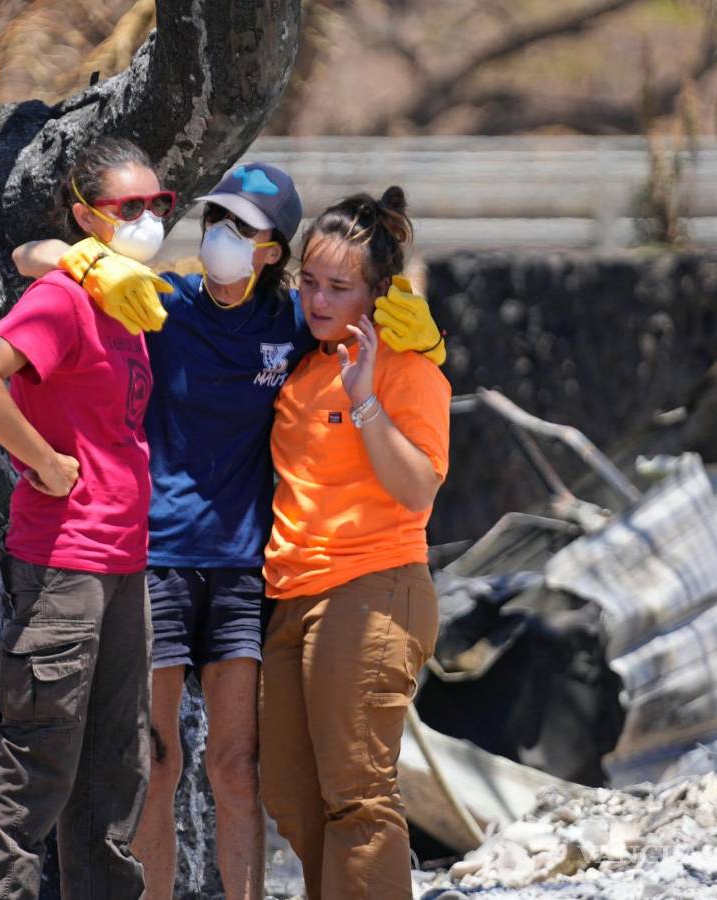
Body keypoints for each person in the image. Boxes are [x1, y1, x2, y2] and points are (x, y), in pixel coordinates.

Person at [13, 164, 445, 899]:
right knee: (162, 763)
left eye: (245, 229)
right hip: (171, 561)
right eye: (217, 220)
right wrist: (85, 258)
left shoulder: (303, 327)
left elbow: (401, 426)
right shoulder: (164, 304)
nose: (223, 238)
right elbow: (28, 257)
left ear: (272, 249)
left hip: (259, 572)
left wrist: (419, 342)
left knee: (248, 770)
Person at [0, 137, 172, 900]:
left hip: (122, 563)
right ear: (86, 217)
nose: (150, 219)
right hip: (64, 564)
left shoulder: (126, 301)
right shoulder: (66, 299)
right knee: (37, 766)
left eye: (160, 204)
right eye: (130, 207)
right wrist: (42, 462)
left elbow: (30, 252)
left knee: (115, 770)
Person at [259, 187, 451, 900]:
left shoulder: (410, 368)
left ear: (378, 293)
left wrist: (366, 397)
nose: (317, 299)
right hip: (291, 594)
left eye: (339, 287)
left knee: (357, 795)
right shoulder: (303, 367)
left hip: (373, 588)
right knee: (291, 793)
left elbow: (419, 491)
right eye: (308, 281)